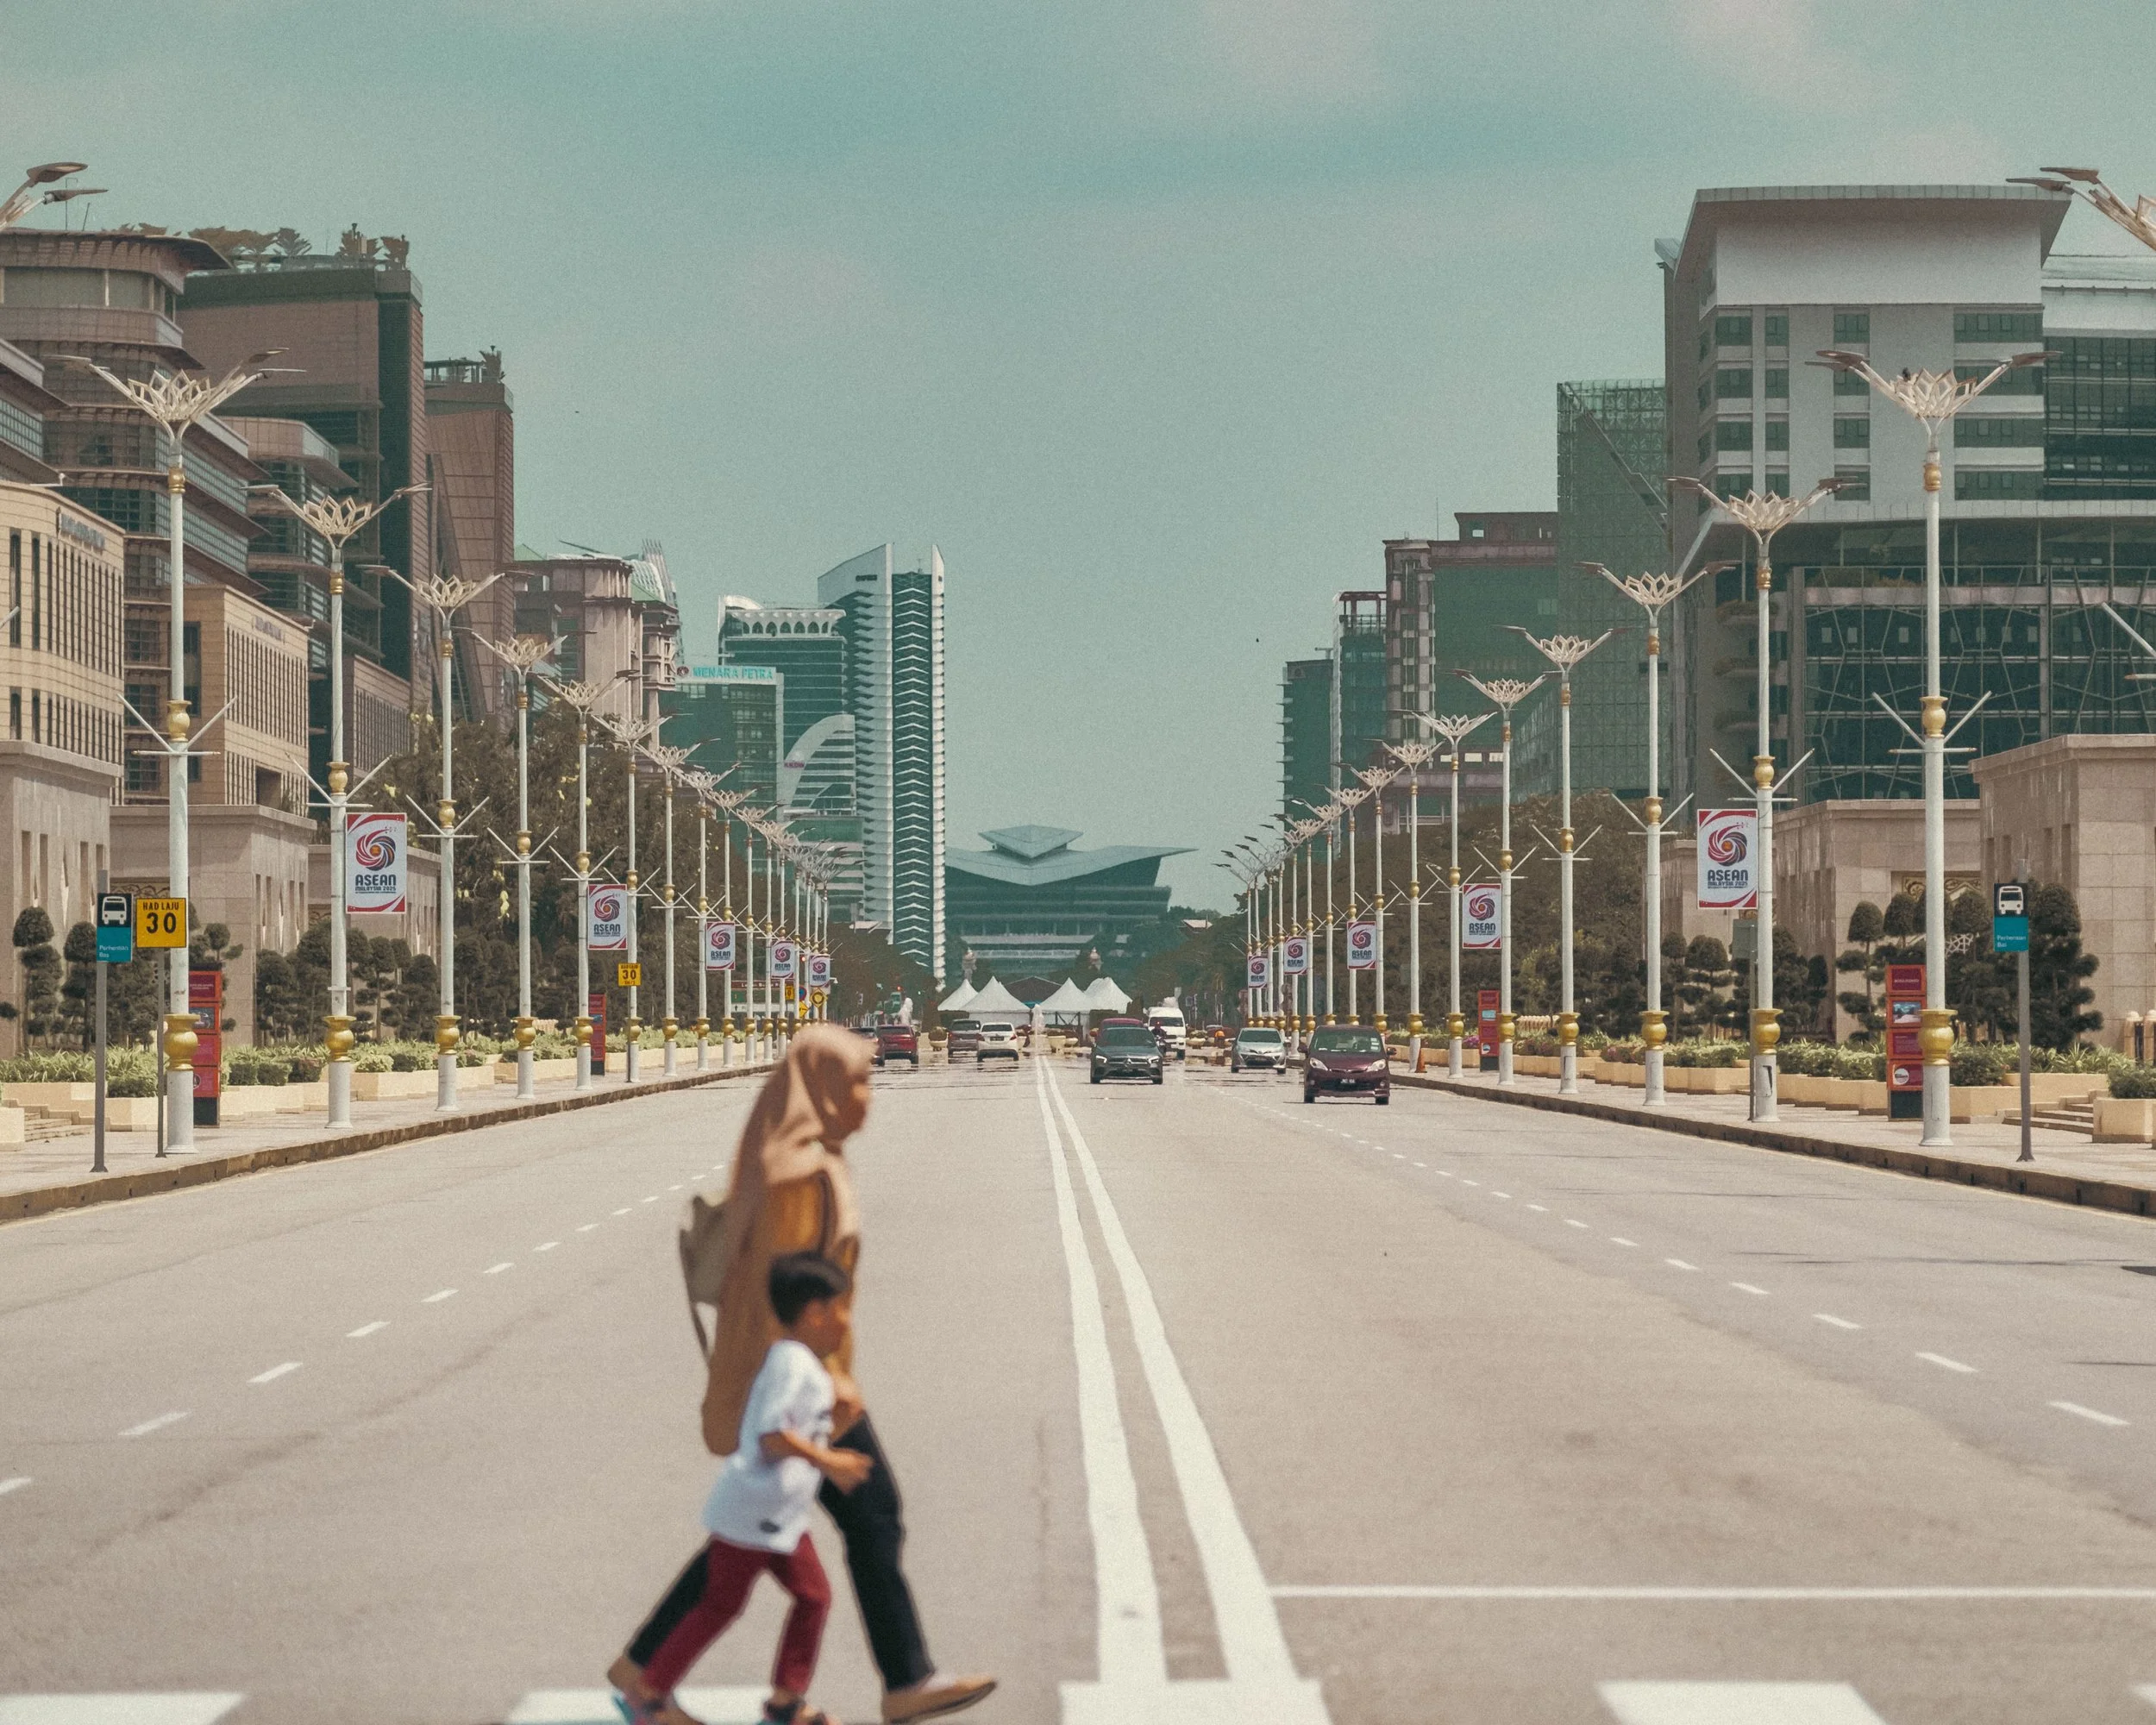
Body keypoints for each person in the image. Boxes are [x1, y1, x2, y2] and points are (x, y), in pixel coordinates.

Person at [699, 1025, 995, 1725]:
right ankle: (905, 1680)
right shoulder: (798, 1175)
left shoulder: (811, 1161)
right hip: (808, 1391)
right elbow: (786, 1296)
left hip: (808, 1385)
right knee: (869, 1517)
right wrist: (823, 1385)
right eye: (856, 1082)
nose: (868, 1097)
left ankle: (649, 1670)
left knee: (748, 1531)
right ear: (822, 1089)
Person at [611, 1255, 868, 1725]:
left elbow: (795, 1433)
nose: (846, 1320)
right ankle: (647, 1696)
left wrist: (839, 1424)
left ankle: (785, 1704)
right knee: (720, 1604)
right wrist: (831, 1461)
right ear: (813, 1313)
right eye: (840, 1308)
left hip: (777, 1513)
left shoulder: (800, 1362)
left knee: (812, 1597)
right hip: (754, 1511)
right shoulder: (791, 1363)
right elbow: (771, 1438)